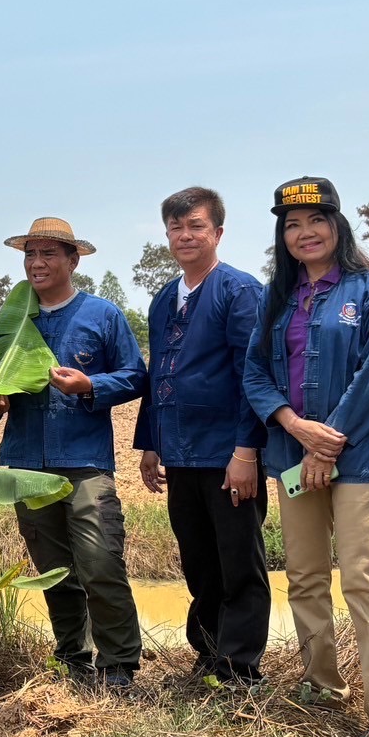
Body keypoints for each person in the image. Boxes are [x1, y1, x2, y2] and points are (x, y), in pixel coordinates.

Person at [243, 176, 369, 737]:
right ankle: (321, 687)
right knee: (305, 575)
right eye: (292, 225)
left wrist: (327, 443)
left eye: (316, 220)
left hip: (360, 455)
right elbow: (255, 372)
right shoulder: (278, 297)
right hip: (292, 453)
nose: (305, 233)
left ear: (338, 225)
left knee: (364, 579)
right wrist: (294, 426)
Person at [0, 217, 147, 692]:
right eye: (30, 254)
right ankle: (73, 657)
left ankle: (118, 664)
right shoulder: (12, 319)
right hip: (27, 464)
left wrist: (91, 384)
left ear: (74, 261)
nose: (37, 263)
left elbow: (134, 375)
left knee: (100, 562)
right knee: (54, 571)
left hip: (85, 461)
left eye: (49, 253)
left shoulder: (102, 315)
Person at [133, 187, 270, 686]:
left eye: (196, 226)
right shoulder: (164, 298)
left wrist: (246, 451)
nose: (185, 235)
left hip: (227, 453)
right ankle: (209, 654)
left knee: (239, 561)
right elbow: (157, 373)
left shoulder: (239, 291)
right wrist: (151, 443)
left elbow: (253, 375)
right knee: (198, 561)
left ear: (217, 232)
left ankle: (239, 668)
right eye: (176, 227)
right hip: (179, 452)